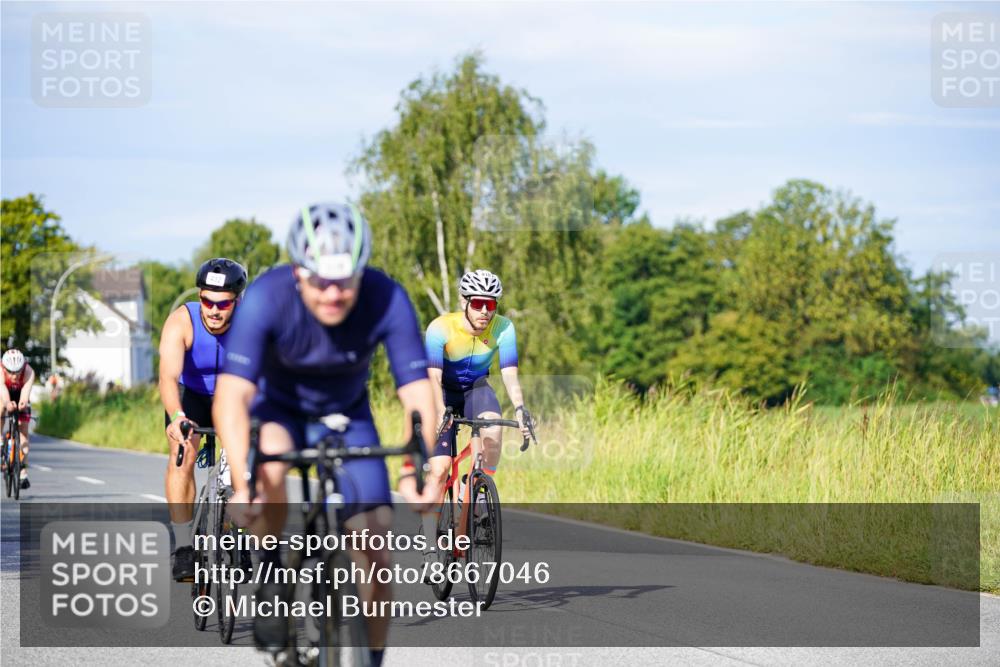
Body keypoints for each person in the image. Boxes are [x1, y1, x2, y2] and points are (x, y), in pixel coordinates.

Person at [213, 202, 438, 667]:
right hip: (279, 410)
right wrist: (243, 482)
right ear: (298, 271)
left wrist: (421, 465)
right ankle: (272, 573)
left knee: (376, 547)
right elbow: (231, 398)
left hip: (347, 414)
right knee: (268, 463)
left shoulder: (386, 297)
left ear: (362, 271)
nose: (333, 295)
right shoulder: (267, 297)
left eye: (346, 280)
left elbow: (417, 392)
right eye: (320, 281)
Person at [420, 270, 533, 565]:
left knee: (494, 430)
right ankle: (431, 548)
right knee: (440, 468)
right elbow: (433, 375)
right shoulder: (440, 327)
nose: (485, 311)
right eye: (479, 303)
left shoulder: (504, 328)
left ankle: (478, 492)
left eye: (491, 304)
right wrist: (439, 411)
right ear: (465, 301)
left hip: (476, 389)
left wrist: (520, 409)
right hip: (440, 390)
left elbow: (509, 374)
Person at [158, 257, 247, 581]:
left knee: (247, 459)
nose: (213, 310)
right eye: (206, 300)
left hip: (233, 398)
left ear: (237, 302)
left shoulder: (252, 324)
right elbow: (168, 377)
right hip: (191, 398)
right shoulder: (182, 322)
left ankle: (236, 531)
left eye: (222, 303)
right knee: (183, 455)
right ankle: (183, 547)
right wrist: (177, 417)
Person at [1, 349, 35, 489]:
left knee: (24, 433)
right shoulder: (0, 371)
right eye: (11, 372)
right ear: (4, 368)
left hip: (20, 394)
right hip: (4, 394)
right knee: (1, 407)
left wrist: (22, 403)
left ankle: (22, 471)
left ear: (23, 367)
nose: (14, 376)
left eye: (17, 372)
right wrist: (8, 403)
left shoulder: (29, 372)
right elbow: (2, 390)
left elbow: (25, 394)